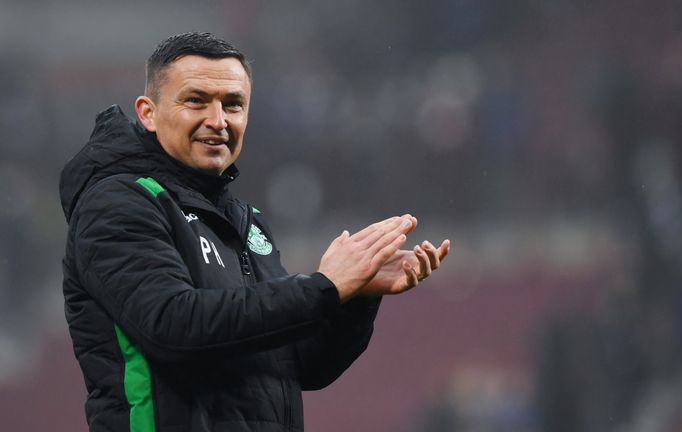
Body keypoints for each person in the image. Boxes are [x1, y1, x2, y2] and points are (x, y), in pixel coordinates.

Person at [59, 32, 450, 432]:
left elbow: (302, 366)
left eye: (233, 105)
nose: (218, 120)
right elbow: (175, 327)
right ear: (148, 113)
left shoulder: (243, 219)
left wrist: (355, 297)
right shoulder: (117, 202)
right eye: (196, 100)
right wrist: (323, 287)